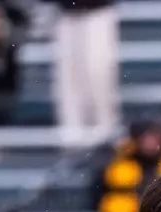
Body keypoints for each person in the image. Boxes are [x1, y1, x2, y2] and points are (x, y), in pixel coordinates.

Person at [53, 0, 120, 147]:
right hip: (66, 14)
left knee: (98, 71)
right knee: (69, 75)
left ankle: (105, 133)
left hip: (98, 11)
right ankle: (72, 132)